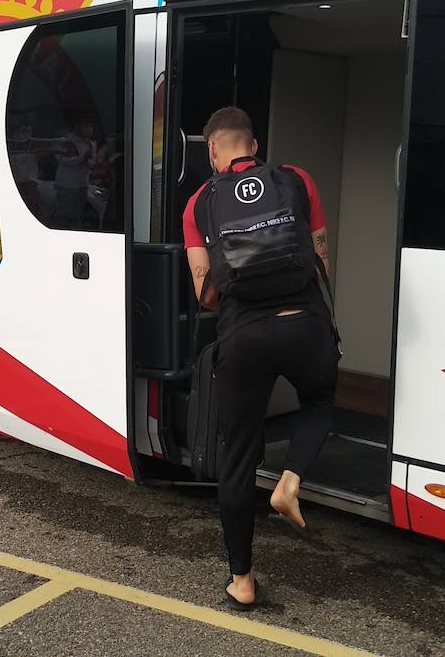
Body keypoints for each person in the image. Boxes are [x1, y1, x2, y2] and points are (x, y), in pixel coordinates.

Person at [181, 107, 336, 610]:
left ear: (212, 150)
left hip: (244, 337)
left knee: (238, 455)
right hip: (304, 324)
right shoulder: (297, 181)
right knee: (319, 398)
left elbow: (206, 293)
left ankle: (242, 581)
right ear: (254, 143)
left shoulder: (199, 204)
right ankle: (290, 482)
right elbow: (320, 261)